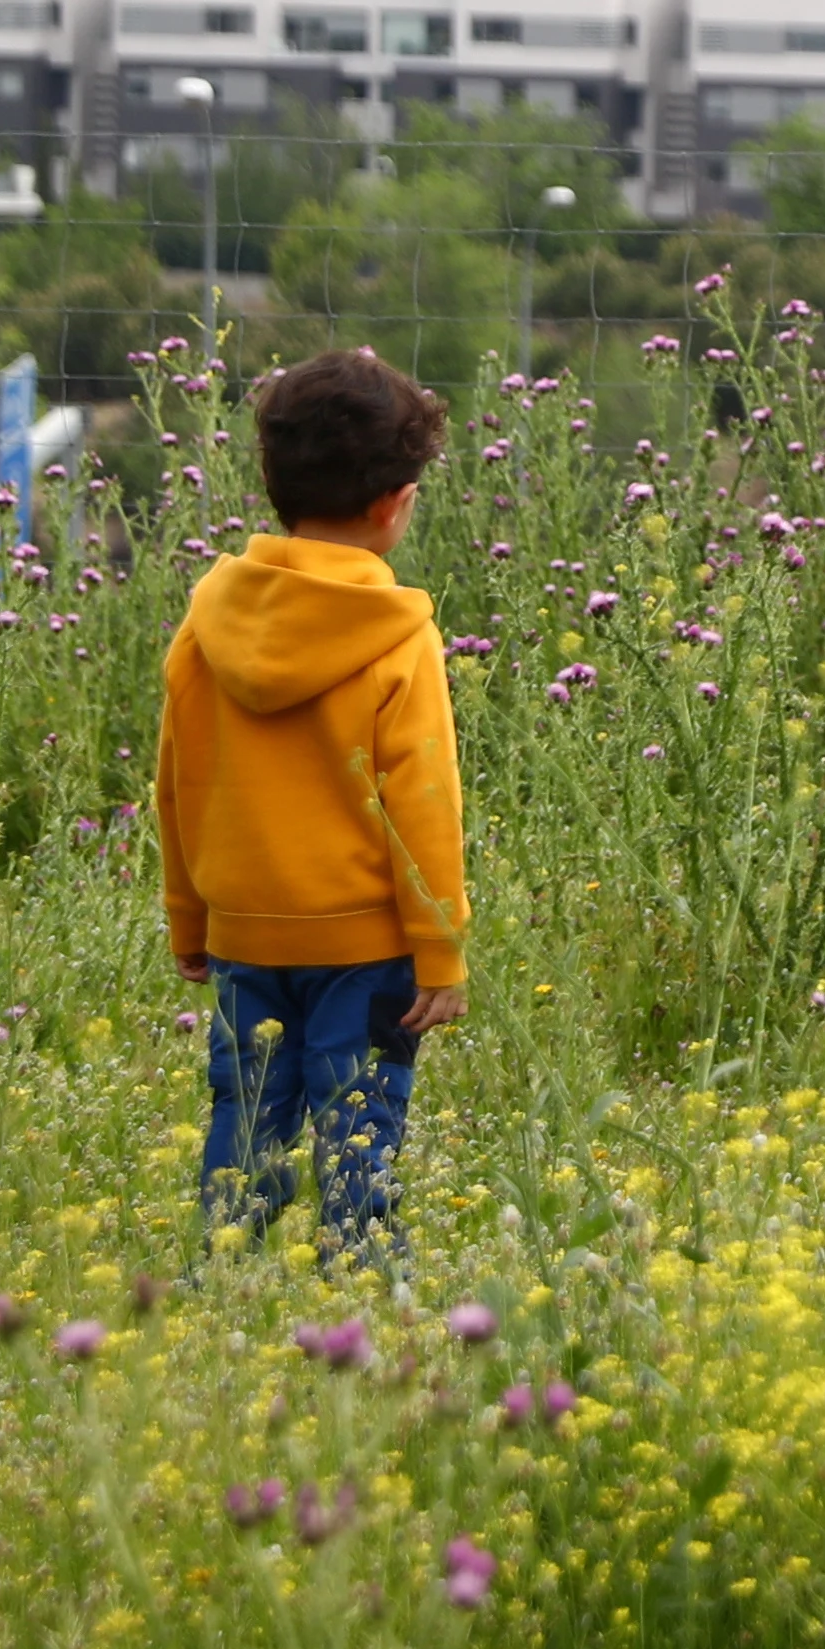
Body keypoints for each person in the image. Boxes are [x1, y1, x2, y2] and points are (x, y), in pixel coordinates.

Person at [158, 348, 470, 1246]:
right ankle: (363, 1287)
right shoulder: (396, 635)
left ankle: (224, 1279)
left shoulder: (207, 620)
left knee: (245, 1121)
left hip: (243, 935)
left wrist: (192, 921)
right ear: (396, 503)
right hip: (365, 943)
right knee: (357, 1128)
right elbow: (423, 804)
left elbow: (178, 782)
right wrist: (440, 948)